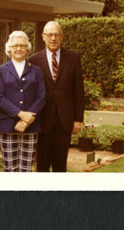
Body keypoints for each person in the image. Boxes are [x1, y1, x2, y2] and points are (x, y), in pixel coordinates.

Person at [29, 21, 84, 172]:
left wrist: (78, 119)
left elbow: (78, 90)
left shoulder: (73, 58)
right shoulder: (34, 60)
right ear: (43, 37)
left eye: (56, 35)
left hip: (64, 119)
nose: (53, 38)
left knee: (61, 164)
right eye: (50, 35)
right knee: (42, 164)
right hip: (42, 119)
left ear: (62, 37)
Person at [0, 31, 45, 172]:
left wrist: (26, 120)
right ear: (9, 48)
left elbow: (41, 97)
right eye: (15, 45)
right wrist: (21, 114)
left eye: (22, 45)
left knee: (26, 169)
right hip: (8, 126)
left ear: (28, 49)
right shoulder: (0, 71)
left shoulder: (36, 71)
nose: (18, 49)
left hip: (30, 126)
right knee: (10, 169)